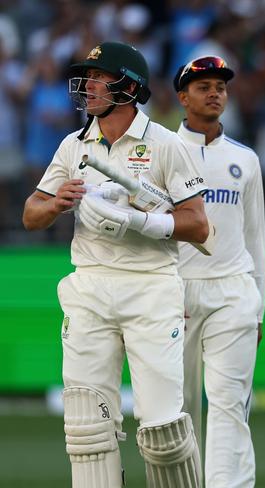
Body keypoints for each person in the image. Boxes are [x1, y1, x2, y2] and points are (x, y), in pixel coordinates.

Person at [22, 41, 208, 488]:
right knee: (88, 428)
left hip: (151, 289)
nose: (86, 85)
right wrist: (55, 204)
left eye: (97, 76)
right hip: (89, 286)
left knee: (163, 430)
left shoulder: (165, 144)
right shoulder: (73, 145)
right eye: (85, 76)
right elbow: (31, 213)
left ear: (127, 86)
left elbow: (198, 226)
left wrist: (140, 221)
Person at [172, 55, 265, 487]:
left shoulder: (245, 159)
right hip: (174, 293)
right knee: (178, 408)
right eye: (204, 86)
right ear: (182, 97)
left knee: (229, 404)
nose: (214, 93)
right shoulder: (161, 152)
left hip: (234, 290)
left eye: (221, 87)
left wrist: (259, 305)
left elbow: (254, 237)